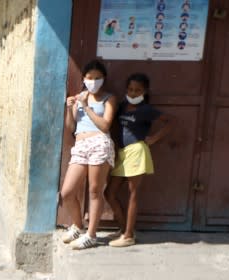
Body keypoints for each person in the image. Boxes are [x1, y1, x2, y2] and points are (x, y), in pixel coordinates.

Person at [105, 73, 172, 247]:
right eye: (130, 89)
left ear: (145, 91)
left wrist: (154, 138)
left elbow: (169, 122)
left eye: (138, 90)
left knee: (132, 193)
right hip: (122, 153)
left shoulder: (146, 109)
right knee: (109, 193)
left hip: (137, 151)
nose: (133, 93)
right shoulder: (122, 106)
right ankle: (124, 229)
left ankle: (128, 236)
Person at [59, 59, 118, 250]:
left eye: (98, 78)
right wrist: (70, 109)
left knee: (94, 191)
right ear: (84, 78)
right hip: (80, 144)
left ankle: (91, 235)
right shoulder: (79, 98)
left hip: (100, 143)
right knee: (67, 192)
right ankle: (77, 225)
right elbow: (71, 128)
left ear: (104, 79)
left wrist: (87, 107)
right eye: (90, 77)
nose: (93, 81)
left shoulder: (109, 98)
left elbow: (105, 126)